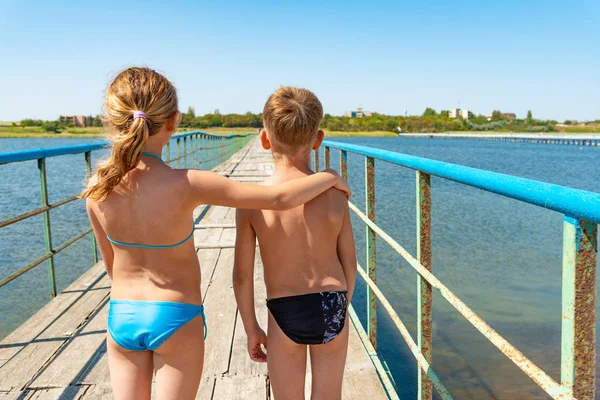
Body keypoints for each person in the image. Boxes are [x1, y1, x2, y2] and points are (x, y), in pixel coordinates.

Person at [82, 68, 351, 400]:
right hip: (176, 314)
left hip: (122, 313)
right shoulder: (189, 183)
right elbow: (282, 199)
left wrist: (251, 326)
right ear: (173, 121)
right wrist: (330, 177)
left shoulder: (96, 188)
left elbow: (111, 266)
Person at [233, 86, 357, 400]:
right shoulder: (336, 196)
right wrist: (342, 307)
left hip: (284, 308)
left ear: (264, 139)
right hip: (332, 301)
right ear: (318, 139)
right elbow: (350, 263)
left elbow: (242, 276)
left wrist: (251, 328)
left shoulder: (252, 202)